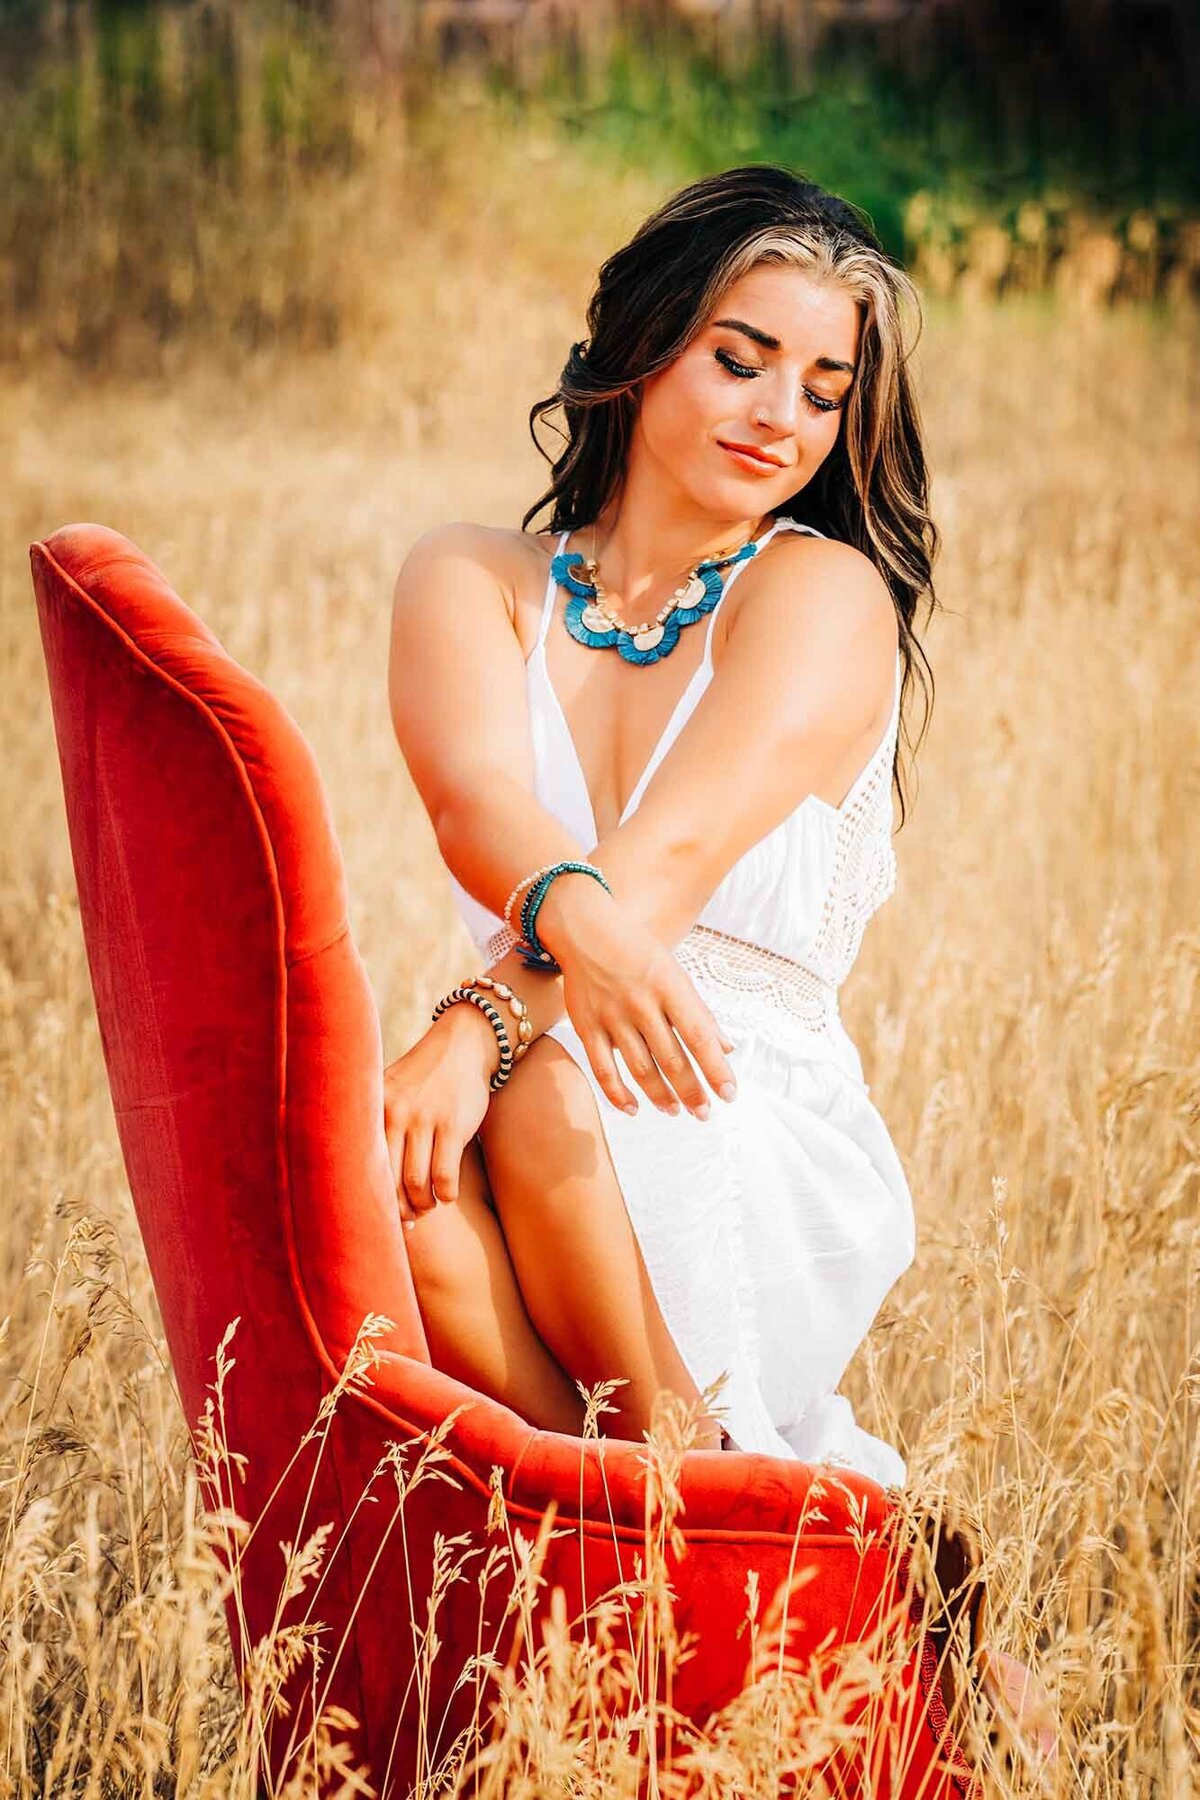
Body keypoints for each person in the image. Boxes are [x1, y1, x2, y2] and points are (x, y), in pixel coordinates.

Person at [386, 163, 1057, 1770]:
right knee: (402, 1185)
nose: (782, 415)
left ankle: (691, 1486)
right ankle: (700, 1530)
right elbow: (481, 803)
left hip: (729, 1075)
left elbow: (663, 873)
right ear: (638, 349)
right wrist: (482, 1037)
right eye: (739, 356)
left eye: (826, 391)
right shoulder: (469, 580)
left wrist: (478, 1021)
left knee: (526, 1099)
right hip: (541, 1063)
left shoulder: (826, 593)